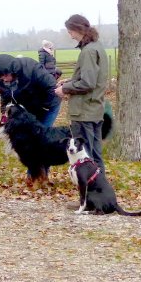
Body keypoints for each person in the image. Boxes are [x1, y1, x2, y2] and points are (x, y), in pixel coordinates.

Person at [55, 14, 108, 174]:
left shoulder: (88, 51)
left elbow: (88, 83)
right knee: (95, 155)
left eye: (70, 31)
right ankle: (99, 187)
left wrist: (65, 89)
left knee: (86, 155)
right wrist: (69, 81)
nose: (70, 35)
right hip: (94, 109)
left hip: (84, 112)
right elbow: (90, 78)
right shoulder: (97, 47)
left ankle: (92, 191)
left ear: (78, 29)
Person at [0, 54, 61, 128]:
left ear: (13, 70)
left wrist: (43, 107)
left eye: (6, 76)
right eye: (1, 77)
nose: (4, 79)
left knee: (41, 135)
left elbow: (52, 86)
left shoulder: (32, 68)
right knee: (28, 134)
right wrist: (4, 112)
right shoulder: (0, 79)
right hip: (29, 107)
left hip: (47, 105)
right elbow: (4, 96)